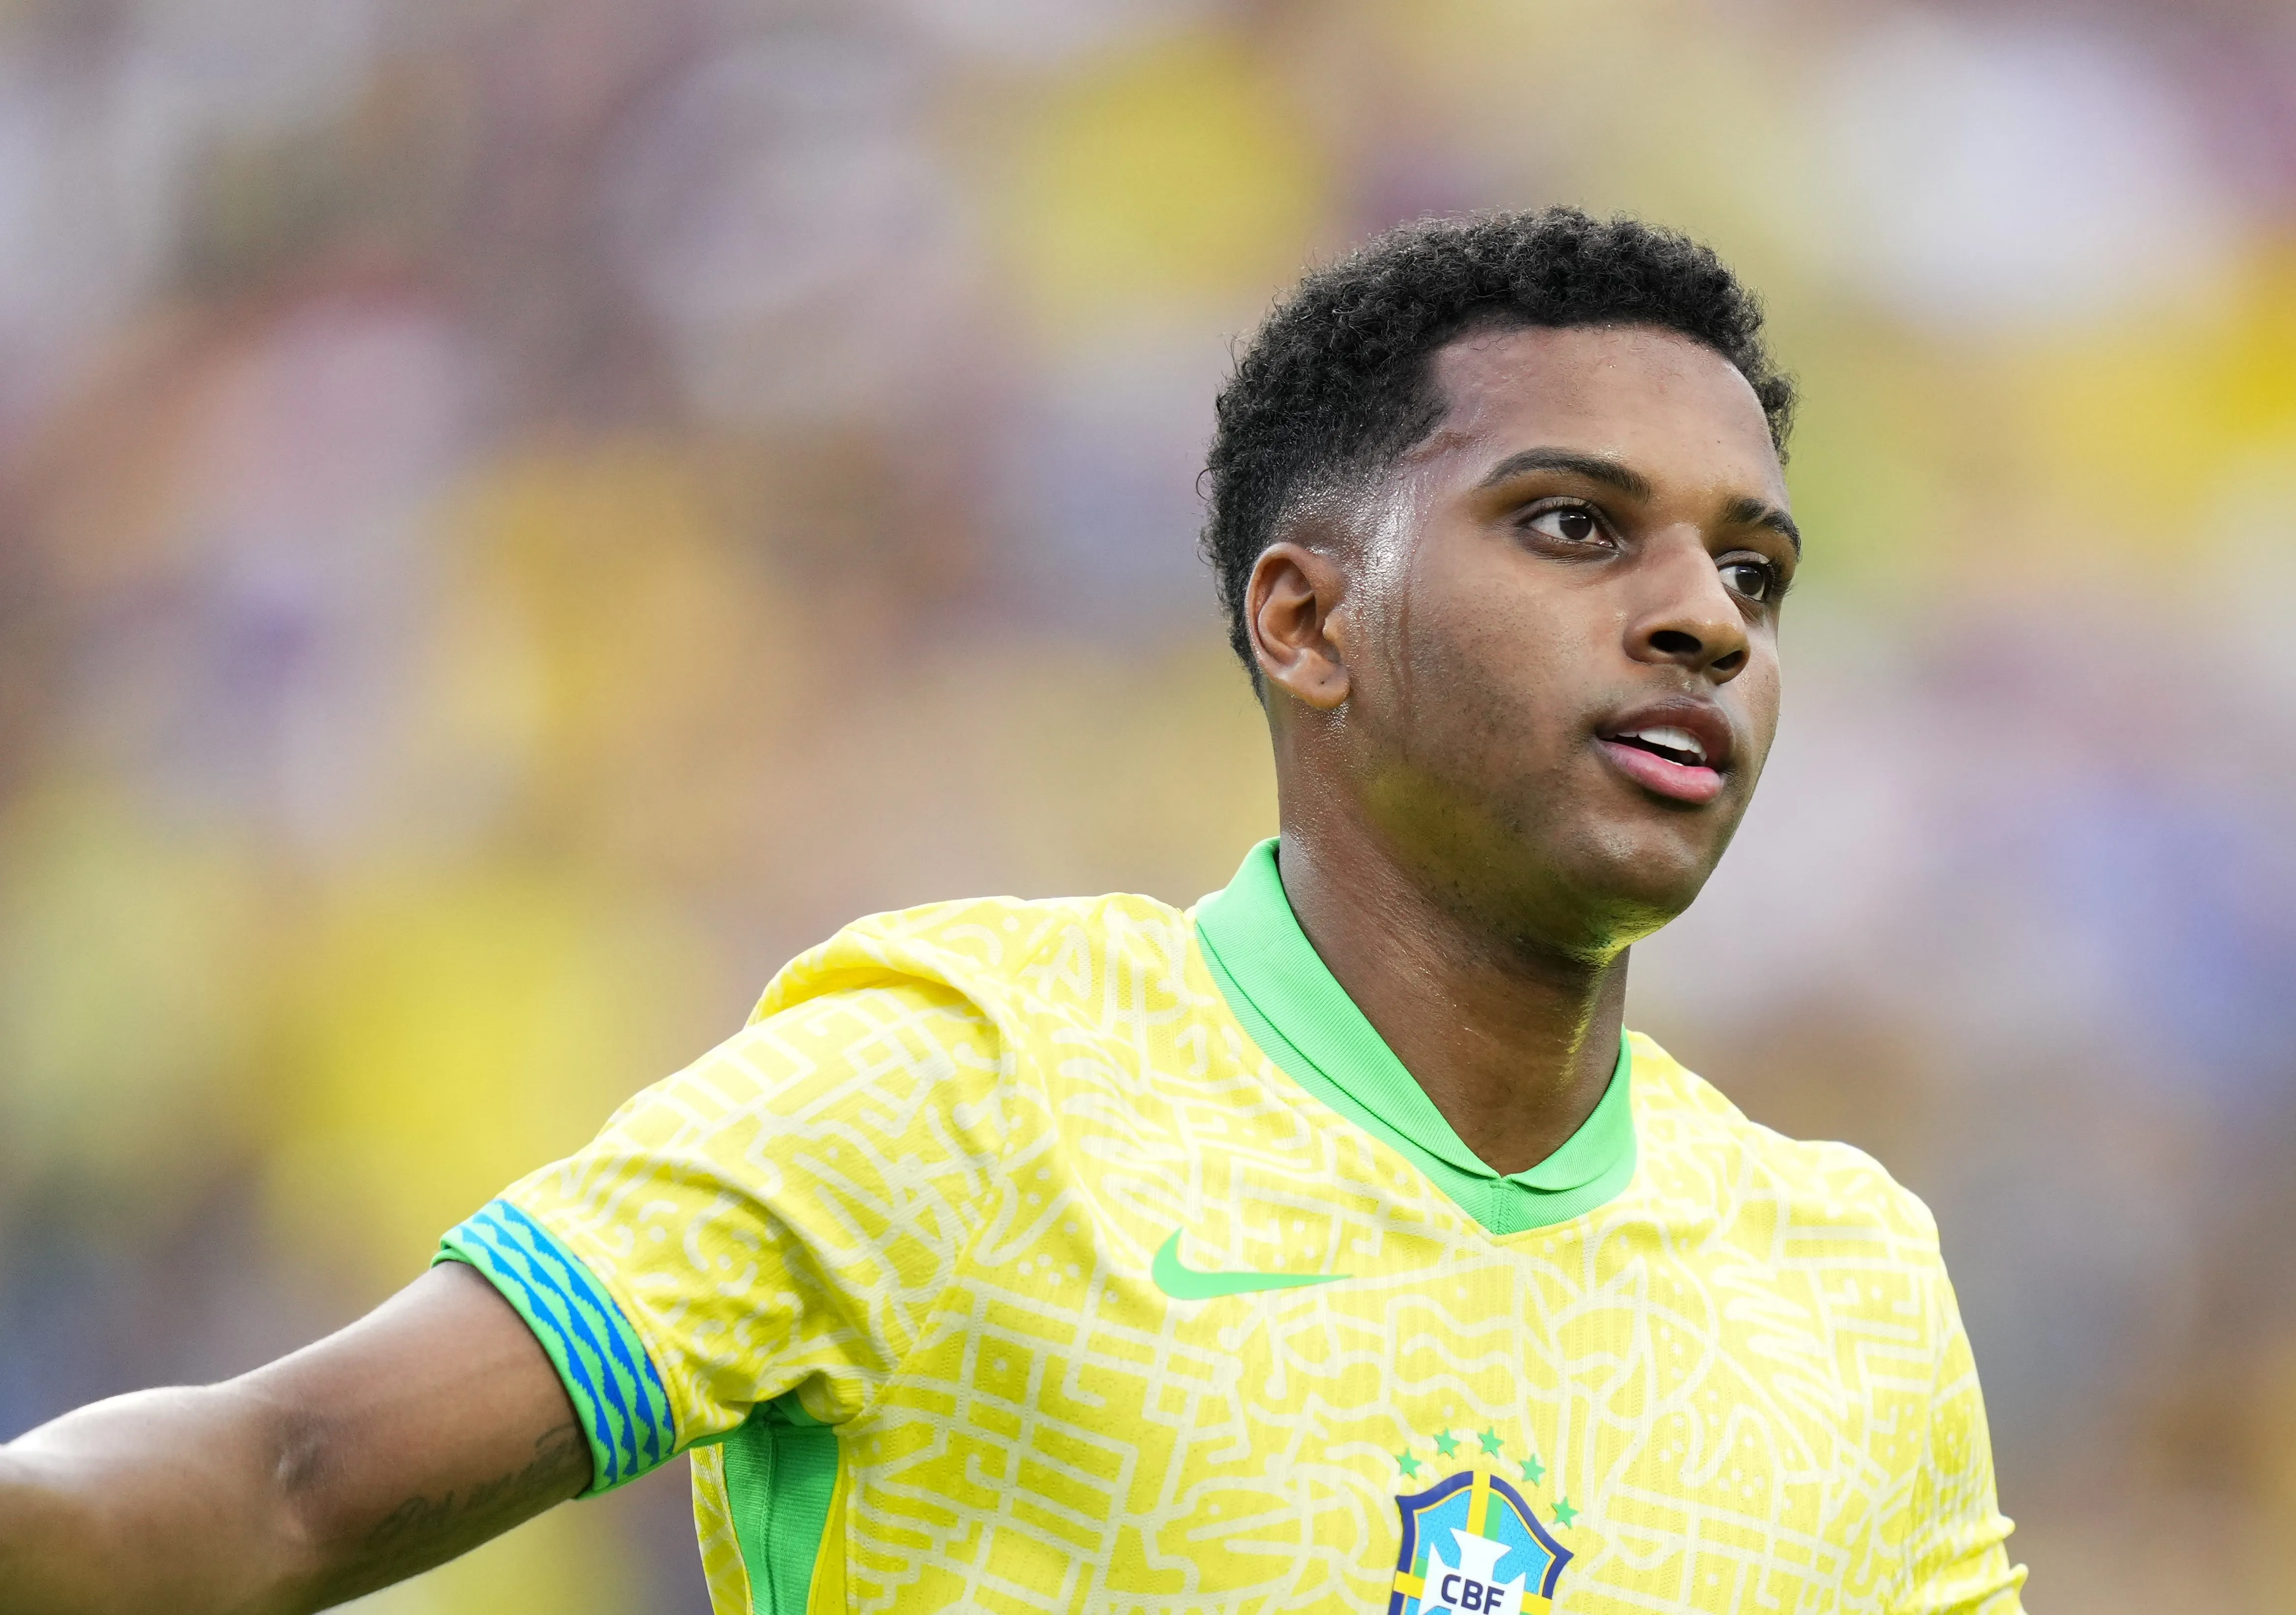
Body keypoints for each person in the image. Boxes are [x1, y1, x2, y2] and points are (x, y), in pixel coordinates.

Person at [0, 208, 2027, 1614]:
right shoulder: (958, 1090)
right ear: (1307, 623)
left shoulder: (1839, 1281)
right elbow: (280, 1486)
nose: (1699, 616)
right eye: (1574, 525)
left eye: (1752, 573)